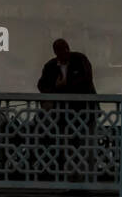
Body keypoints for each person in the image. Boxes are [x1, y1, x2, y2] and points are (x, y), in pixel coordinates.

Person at [37, 39, 98, 182]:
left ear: (68, 49)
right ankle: (70, 179)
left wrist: (65, 85)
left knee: (86, 146)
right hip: (63, 115)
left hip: (85, 112)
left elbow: (86, 80)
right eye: (58, 51)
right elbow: (42, 85)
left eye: (64, 50)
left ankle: (87, 180)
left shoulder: (80, 60)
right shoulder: (50, 66)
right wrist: (54, 90)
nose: (62, 54)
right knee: (67, 147)